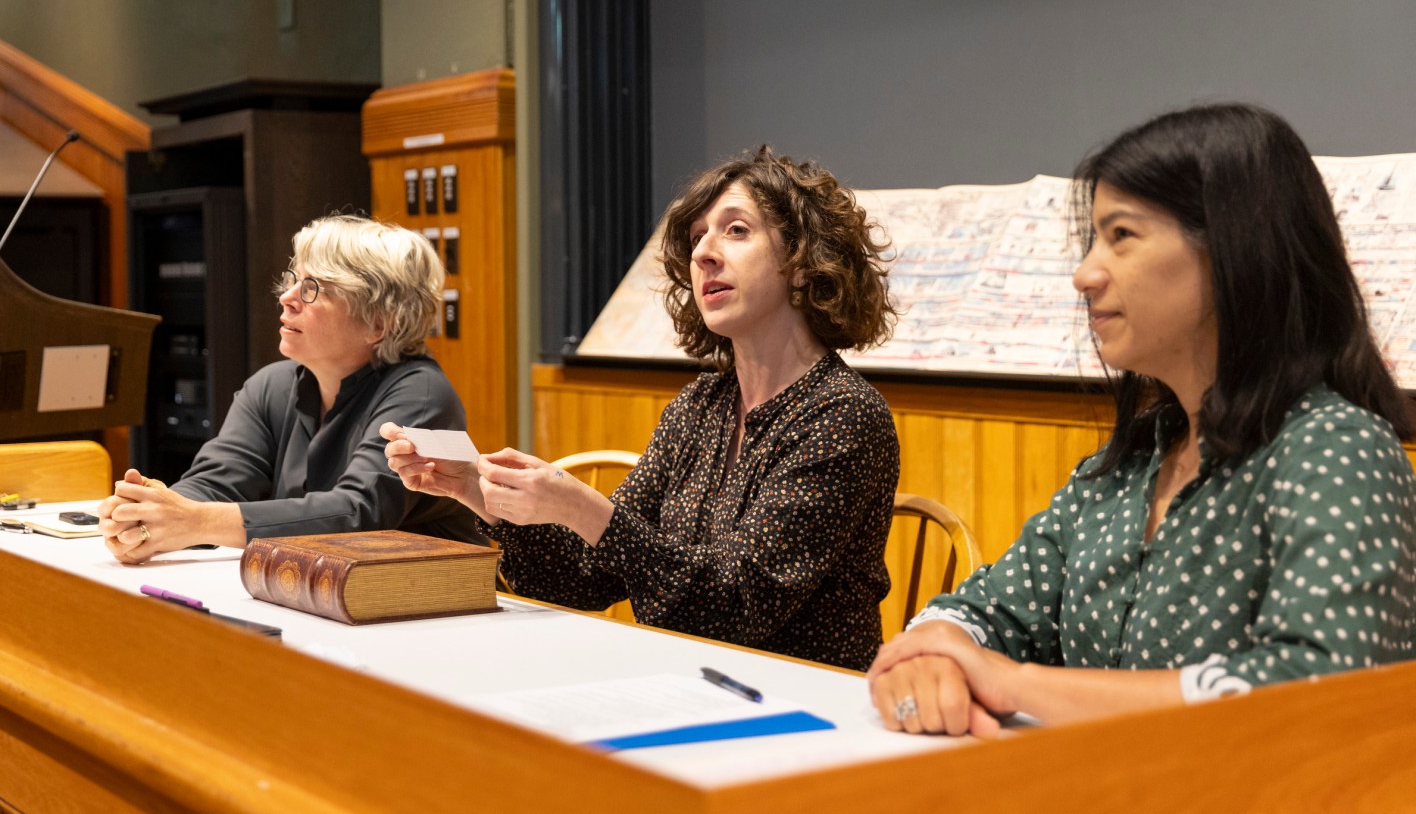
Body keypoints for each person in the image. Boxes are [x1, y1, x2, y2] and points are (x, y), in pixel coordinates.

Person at [868, 103, 1416, 737]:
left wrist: (1015, 683)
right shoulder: (1128, 463)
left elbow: (1318, 686)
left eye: (1121, 236)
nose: (1084, 275)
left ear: (1237, 247)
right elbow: (986, 610)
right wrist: (932, 654)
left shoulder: (1335, 449)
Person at [383, 147, 901, 669]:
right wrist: (475, 489)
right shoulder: (699, 406)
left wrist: (584, 509)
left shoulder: (843, 415)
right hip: (688, 685)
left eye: (737, 230)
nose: (703, 254)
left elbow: (736, 609)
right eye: (698, 237)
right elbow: (584, 579)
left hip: (804, 707)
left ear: (803, 262)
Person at [100, 214, 482, 563]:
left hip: (420, 609)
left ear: (378, 323)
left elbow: (358, 513)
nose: (287, 297)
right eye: (293, 279)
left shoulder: (422, 394)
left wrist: (195, 521)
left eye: (314, 287)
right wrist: (146, 514)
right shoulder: (272, 384)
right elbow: (219, 480)